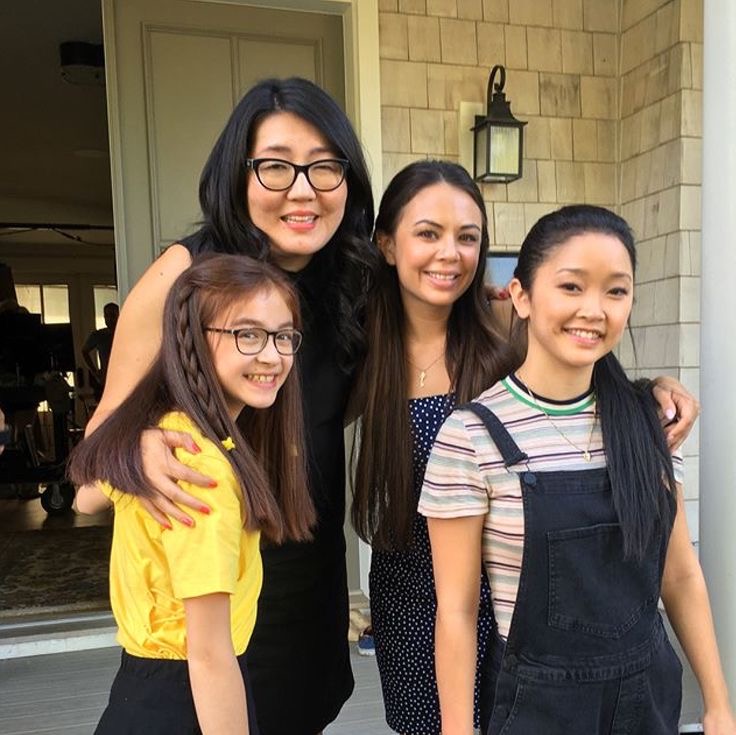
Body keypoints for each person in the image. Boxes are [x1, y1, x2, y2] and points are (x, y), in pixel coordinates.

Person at [81, 77, 377, 735]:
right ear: (236, 175)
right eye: (276, 166)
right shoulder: (184, 278)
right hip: (207, 598)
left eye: (324, 167)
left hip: (306, 586)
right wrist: (139, 443)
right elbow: (91, 465)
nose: (303, 190)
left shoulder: (353, 279)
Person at [419, 205, 735, 735]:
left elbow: (680, 575)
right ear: (521, 296)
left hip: (647, 700)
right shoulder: (470, 436)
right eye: (571, 286)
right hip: (536, 707)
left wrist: (718, 704)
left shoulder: (651, 423)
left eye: (616, 291)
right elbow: (457, 611)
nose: (594, 310)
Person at [69, 254, 314, 734]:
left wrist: (128, 447)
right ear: (194, 341)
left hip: (141, 694)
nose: (272, 355)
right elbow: (209, 655)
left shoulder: (163, 435)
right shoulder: (198, 464)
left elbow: (86, 499)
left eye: (284, 336)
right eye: (247, 334)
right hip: (185, 701)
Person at [350, 160, 514, 734]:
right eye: (428, 233)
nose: (450, 253)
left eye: (467, 237)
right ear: (387, 245)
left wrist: (652, 391)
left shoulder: (508, 336)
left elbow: (589, 384)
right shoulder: (362, 348)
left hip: (503, 602)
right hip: (408, 596)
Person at [81, 302, 119, 399]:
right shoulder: (98, 335)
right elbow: (84, 351)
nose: (109, 319)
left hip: (125, 379)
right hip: (106, 381)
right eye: (107, 316)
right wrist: (95, 371)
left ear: (118, 316)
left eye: (113, 315)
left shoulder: (126, 333)